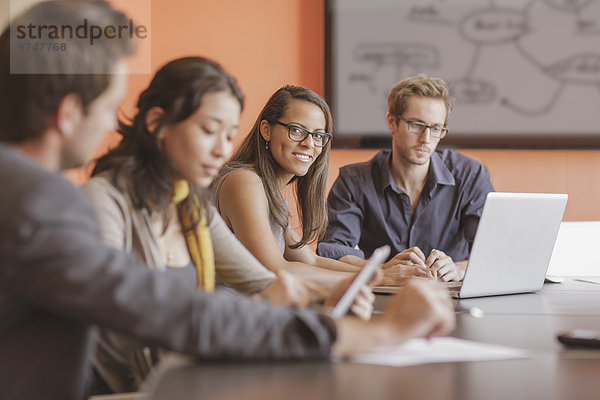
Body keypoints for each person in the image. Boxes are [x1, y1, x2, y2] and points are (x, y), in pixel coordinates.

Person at [0, 3, 455, 400]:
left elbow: (266, 281)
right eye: (108, 105)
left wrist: (329, 292)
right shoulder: (45, 202)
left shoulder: (183, 204)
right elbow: (162, 311)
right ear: (68, 113)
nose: (112, 122)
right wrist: (376, 332)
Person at [82, 56, 374, 393]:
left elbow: (265, 282)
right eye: (209, 131)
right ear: (156, 123)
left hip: (180, 375)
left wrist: (327, 295)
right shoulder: (103, 199)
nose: (222, 150)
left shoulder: (191, 206)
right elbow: (119, 305)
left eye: (229, 135)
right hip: (123, 388)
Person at [212, 85, 428, 291]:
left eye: (318, 136)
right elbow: (277, 270)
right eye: (297, 130)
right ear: (266, 130)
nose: (309, 144)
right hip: (226, 319)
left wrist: (382, 269)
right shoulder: (243, 182)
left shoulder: (271, 193)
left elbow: (310, 259)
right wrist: (378, 279)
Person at [317, 74, 495, 282]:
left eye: (436, 128)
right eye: (416, 125)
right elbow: (333, 250)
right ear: (392, 122)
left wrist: (460, 268)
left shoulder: (471, 176)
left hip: (450, 296)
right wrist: (383, 269)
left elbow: (491, 252)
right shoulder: (353, 181)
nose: (425, 139)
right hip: (383, 296)